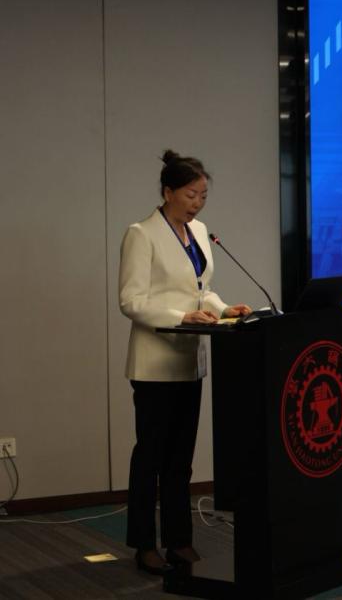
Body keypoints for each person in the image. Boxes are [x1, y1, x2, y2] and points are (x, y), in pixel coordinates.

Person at [119, 150, 251, 575]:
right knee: (150, 459)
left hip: (190, 361)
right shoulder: (141, 234)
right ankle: (144, 544)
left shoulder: (198, 231)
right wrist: (181, 317)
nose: (198, 203)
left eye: (203, 196)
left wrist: (225, 308)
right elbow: (131, 301)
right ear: (168, 192)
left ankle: (179, 541)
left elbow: (200, 290)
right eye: (191, 195)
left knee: (180, 460)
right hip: (155, 363)